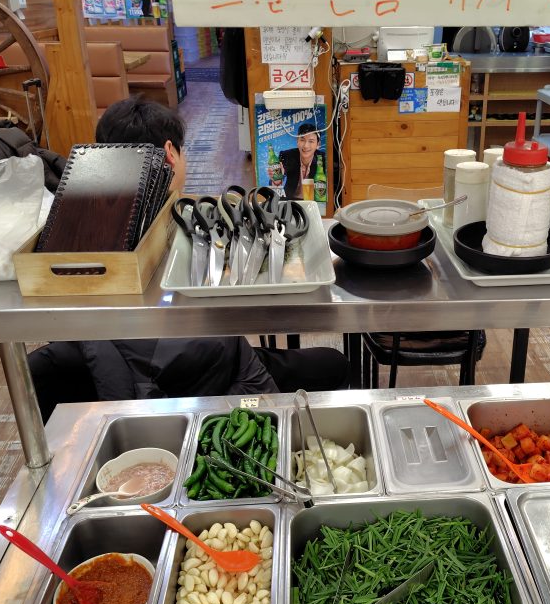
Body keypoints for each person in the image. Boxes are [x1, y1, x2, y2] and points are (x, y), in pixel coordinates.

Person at [27, 96, 349, 422]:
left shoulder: (78, 228)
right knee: (333, 363)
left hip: (143, 380)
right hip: (203, 377)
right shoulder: (162, 233)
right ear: (170, 152)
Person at [279, 123, 324, 200]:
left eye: (311, 141)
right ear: (297, 141)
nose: (306, 146)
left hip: (314, 202)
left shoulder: (323, 159)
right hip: (291, 201)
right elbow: (276, 180)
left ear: (318, 144)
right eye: (302, 140)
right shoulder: (287, 155)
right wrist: (278, 178)